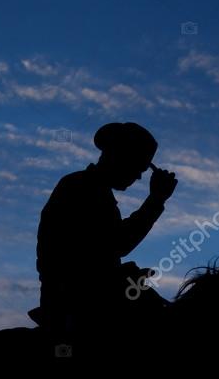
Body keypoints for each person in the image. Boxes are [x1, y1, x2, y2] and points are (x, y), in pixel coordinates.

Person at [31, 121, 177, 354]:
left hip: (86, 297)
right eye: (138, 167)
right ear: (120, 158)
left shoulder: (91, 190)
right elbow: (117, 244)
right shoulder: (81, 188)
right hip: (78, 304)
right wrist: (155, 200)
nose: (139, 177)